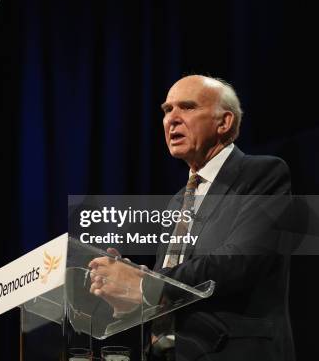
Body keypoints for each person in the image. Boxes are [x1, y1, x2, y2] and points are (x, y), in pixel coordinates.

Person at [87, 75, 294, 361]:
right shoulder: (177, 201)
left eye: (186, 107)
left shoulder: (262, 174)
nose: (171, 119)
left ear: (224, 122)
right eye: (166, 110)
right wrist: (128, 293)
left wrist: (146, 283)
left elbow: (240, 260)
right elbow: (170, 294)